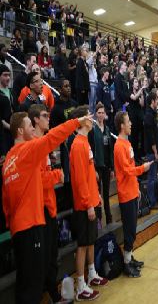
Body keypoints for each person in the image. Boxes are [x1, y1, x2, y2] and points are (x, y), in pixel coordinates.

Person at [2, 110, 91, 304]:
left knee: (25, 282)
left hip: (19, 229)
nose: (32, 129)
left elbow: (5, 199)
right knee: (32, 286)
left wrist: (11, 222)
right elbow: (53, 137)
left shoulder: (8, 160)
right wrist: (76, 122)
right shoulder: (26, 151)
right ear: (20, 131)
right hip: (31, 226)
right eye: (29, 126)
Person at [28, 104, 69, 304]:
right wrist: (57, 175)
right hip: (40, 209)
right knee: (45, 258)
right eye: (45, 116)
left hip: (49, 206)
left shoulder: (42, 145)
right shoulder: (33, 145)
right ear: (35, 119)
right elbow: (40, 180)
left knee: (52, 255)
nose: (48, 118)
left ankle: (54, 293)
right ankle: (52, 295)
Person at [69, 105, 108, 301]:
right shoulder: (77, 145)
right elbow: (79, 180)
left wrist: (97, 196)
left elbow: (90, 175)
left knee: (91, 240)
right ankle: (80, 285)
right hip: (84, 205)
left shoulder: (85, 142)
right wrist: (88, 203)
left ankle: (91, 274)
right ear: (81, 120)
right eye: (89, 117)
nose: (92, 120)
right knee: (83, 244)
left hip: (92, 200)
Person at [114, 111, 153, 277]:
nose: (131, 124)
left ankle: (129, 258)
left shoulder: (127, 144)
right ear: (122, 126)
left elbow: (130, 167)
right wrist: (142, 169)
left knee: (133, 229)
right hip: (125, 193)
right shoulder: (119, 146)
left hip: (132, 190)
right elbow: (127, 170)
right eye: (128, 121)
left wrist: (136, 186)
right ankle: (126, 263)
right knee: (129, 229)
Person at [89, 103, 114, 224]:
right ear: (95, 114)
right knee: (97, 195)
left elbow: (110, 150)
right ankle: (98, 220)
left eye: (102, 112)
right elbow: (91, 150)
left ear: (105, 114)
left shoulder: (108, 129)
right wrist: (93, 168)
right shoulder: (92, 130)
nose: (101, 114)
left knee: (106, 194)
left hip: (107, 166)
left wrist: (112, 168)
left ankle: (109, 218)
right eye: (98, 112)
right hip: (97, 167)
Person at [144, 90, 158, 209]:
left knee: (154, 177)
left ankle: (154, 200)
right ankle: (152, 202)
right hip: (151, 151)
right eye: (157, 99)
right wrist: (155, 151)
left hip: (154, 150)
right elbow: (150, 136)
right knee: (151, 178)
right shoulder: (149, 116)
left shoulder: (153, 113)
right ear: (152, 101)